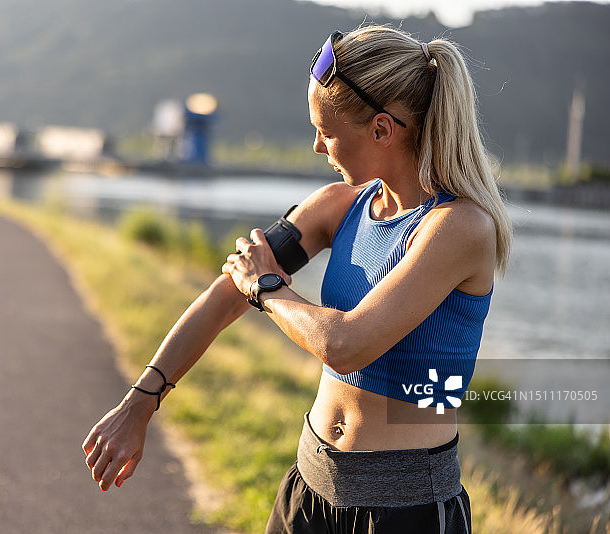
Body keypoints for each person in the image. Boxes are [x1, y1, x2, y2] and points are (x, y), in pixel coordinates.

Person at [83, 24, 512, 534]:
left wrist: (268, 288)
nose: (316, 145)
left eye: (325, 131)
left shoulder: (460, 227)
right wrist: (139, 404)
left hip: (407, 509)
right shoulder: (337, 207)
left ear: (381, 130)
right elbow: (225, 296)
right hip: (309, 487)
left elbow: (348, 344)